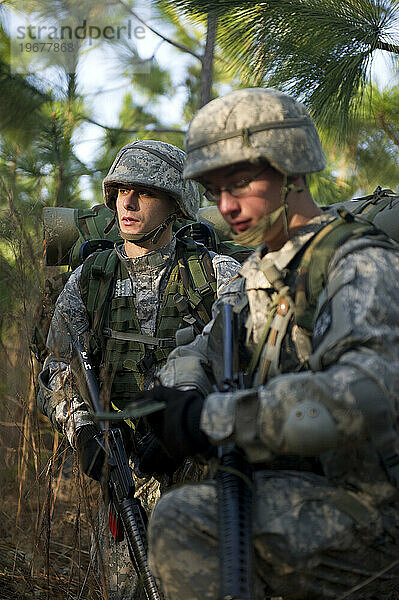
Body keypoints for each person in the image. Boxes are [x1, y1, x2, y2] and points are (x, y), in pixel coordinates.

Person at [139, 89, 399, 600]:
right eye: (215, 190)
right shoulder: (262, 271)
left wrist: (213, 420)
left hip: (377, 511)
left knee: (185, 520)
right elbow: (204, 350)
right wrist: (182, 400)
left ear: (294, 173)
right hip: (315, 495)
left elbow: (371, 393)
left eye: (240, 182)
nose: (226, 206)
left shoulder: (360, 263)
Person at [37, 139, 242, 599]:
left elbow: (245, 367)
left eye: (144, 192)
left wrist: (190, 427)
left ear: (174, 203)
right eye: (121, 190)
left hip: (199, 476)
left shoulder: (217, 274)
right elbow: (56, 369)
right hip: (123, 473)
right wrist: (83, 429)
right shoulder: (91, 278)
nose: (127, 202)